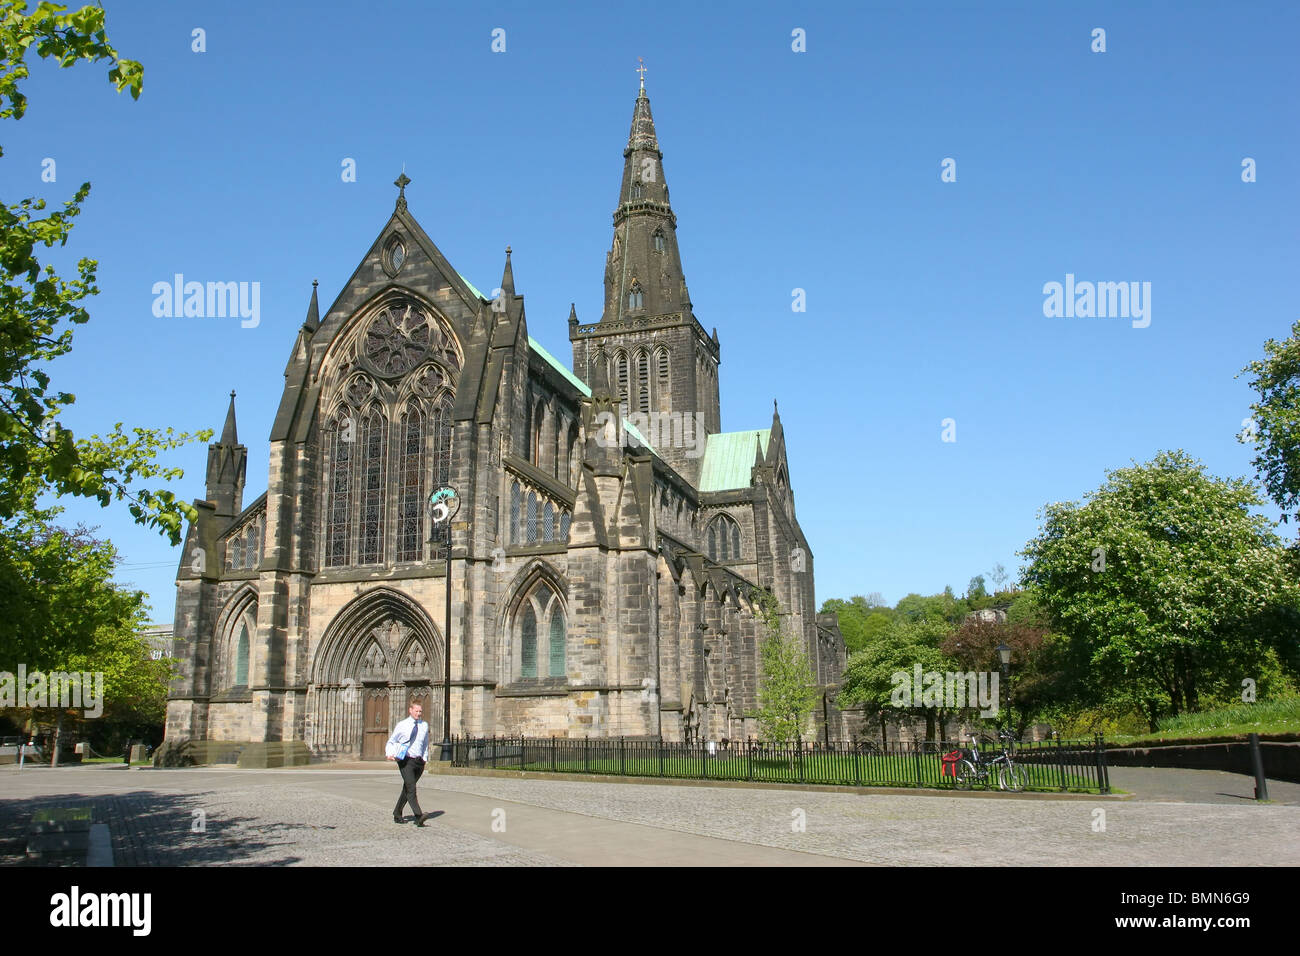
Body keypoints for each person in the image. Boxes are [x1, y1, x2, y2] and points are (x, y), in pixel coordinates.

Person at [386, 701, 433, 826]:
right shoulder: (402, 725)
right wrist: (389, 753)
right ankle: (419, 816)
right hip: (406, 760)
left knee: (407, 788)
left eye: (420, 711)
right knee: (411, 788)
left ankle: (397, 812)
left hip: (419, 762)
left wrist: (424, 758)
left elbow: (425, 743)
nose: (419, 713)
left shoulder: (424, 725)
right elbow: (392, 740)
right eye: (416, 711)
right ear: (410, 710)